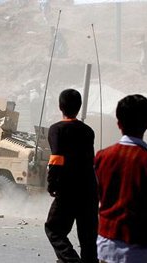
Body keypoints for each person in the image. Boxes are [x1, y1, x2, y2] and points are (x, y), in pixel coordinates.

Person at [94, 94, 147, 263]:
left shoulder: (101, 157)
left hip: (105, 246)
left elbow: (97, 196)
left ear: (118, 123)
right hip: (140, 250)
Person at [45, 89, 99, 263]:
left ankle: (70, 260)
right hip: (89, 189)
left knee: (54, 229)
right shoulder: (88, 131)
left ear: (60, 107)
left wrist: (52, 184)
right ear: (80, 106)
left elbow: (57, 159)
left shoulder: (56, 130)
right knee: (88, 238)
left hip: (67, 190)